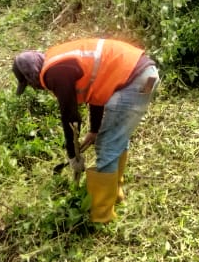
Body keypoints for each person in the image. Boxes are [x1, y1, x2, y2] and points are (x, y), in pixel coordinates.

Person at [12, 38, 158, 223]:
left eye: (29, 84)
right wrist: (94, 130)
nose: (34, 88)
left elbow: (70, 116)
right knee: (116, 137)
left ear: (31, 74)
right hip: (147, 77)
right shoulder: (58, 60)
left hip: (136, 80)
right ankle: (114, 195)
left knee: (107, 145)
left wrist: (73, 155)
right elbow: (97, 91)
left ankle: (101, 216)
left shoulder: (55, 72)